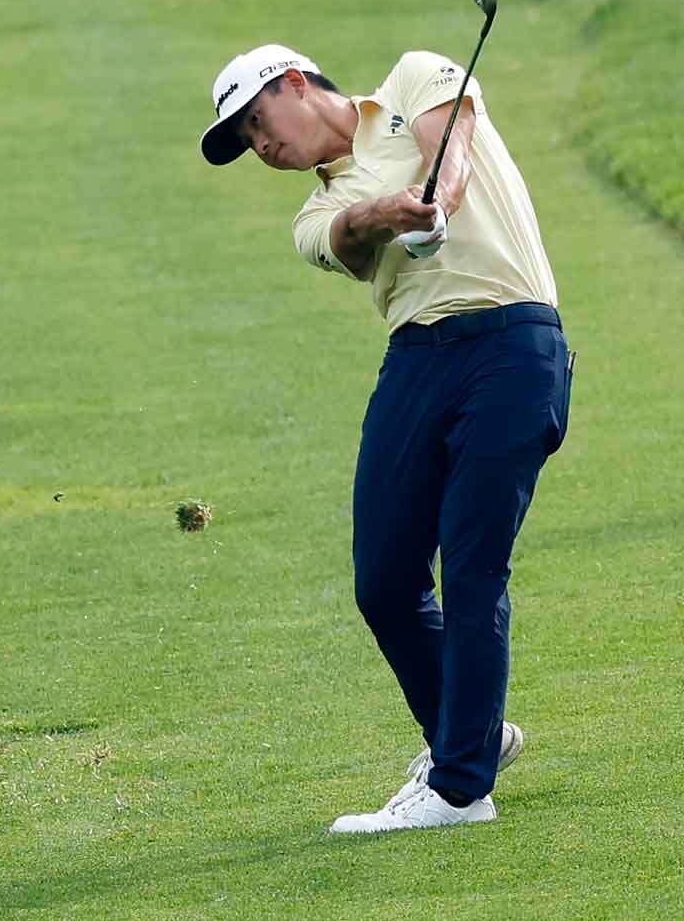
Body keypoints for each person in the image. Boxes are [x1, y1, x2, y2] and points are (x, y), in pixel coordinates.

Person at [199, 44, 572, 833]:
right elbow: (350, 235)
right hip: (417, 361)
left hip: (512, 344)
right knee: (384, 580)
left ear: (296, 83)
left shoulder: (414, 76)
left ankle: (459, 788)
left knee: (472, 568)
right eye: (244, 143)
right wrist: (390, 211)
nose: (260, 148)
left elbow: (455, 146)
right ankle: (472, 735)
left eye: (257, 124)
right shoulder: (311, 215)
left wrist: (436, 200)